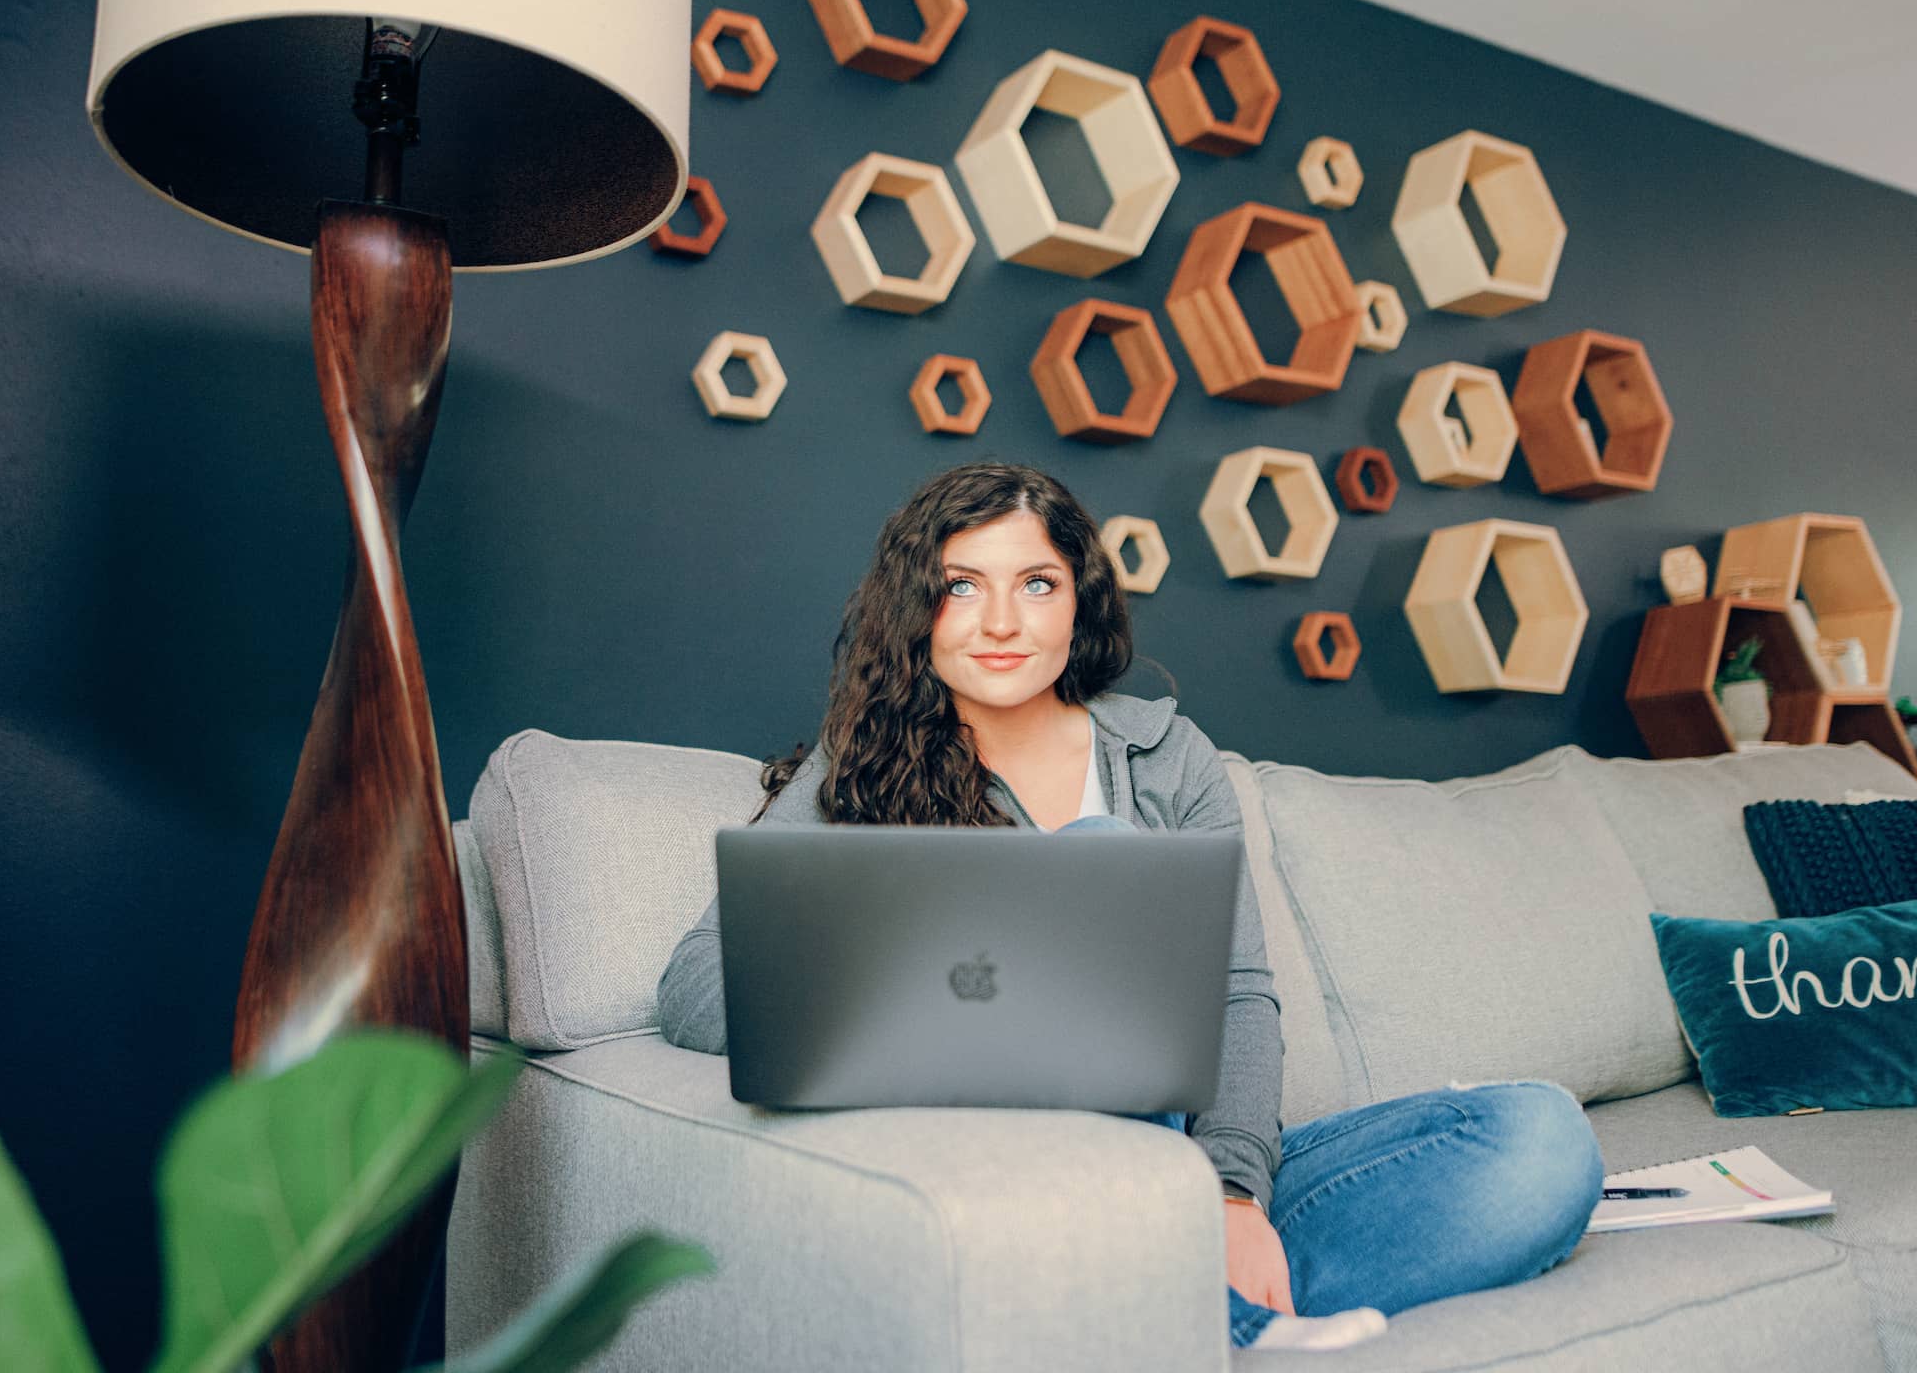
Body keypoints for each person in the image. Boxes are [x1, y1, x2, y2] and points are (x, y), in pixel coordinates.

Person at [655, 462, 1603, 1353]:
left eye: (1037, 584)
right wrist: (909, 1009)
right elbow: (699, 984)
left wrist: (1234, 1199)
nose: (1000, 621)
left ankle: (1152, 1307)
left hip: (1188, 1168)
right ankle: (1207, 1318)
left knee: (1540, 1141)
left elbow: (1235, 996)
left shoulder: (1169, 755)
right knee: (1102, 863)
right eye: (960, 585)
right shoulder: (856, 764)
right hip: (1008, 1172)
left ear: (1079, 603)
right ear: (918, 608)